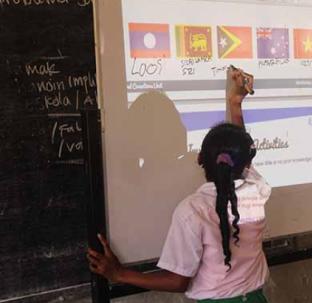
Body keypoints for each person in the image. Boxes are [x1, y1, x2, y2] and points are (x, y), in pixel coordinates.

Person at [87, 67, 272, 303]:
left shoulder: (191, 210)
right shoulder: (256, 189)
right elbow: (239, 152)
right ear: (246, 162)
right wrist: (235, 104)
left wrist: (120, 274)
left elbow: (178, 281)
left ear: (200, 159)